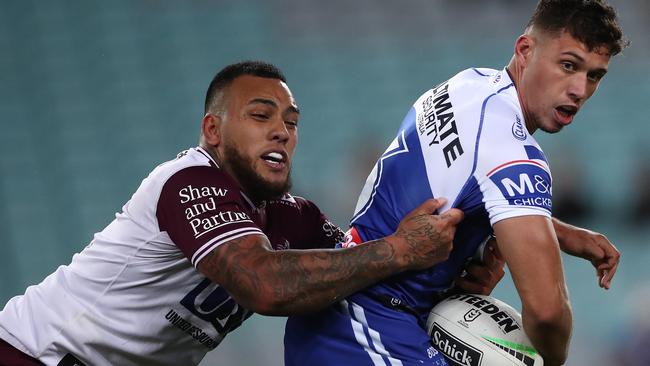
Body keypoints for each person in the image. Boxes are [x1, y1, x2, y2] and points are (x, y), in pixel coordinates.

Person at [0, 61, 468, 366]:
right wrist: (399, 249)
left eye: (291, 122)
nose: (282, 132)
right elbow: (264, 284)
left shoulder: (292, 217)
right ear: (213, 130)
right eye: (261, 116)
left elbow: (363, 279)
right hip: (34, 354)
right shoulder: (186, 181)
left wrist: (456, 282)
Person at [284, 1, 626, 365]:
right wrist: (553, 361)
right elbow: (547, 313)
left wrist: (560, 232)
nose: (579, 89)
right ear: (525, 50)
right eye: (568, 65)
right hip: (368, 329)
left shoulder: (470, 84)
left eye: (594, 75)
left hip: (336, 310)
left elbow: (470, 184)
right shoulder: (514, 153)